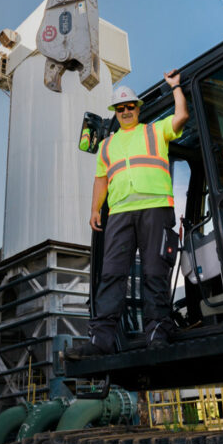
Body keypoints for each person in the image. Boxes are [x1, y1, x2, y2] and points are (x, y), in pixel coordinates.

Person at [66, 71, 189, 359]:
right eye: (120, 108)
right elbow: (101, 179)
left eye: (130, 106)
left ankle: (158, 331)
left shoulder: (155, 131)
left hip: (155, 209)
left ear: (137, 108)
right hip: (120, 213)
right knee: (111, 274)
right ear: (115, 112)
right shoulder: (107, 145)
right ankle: (101, 339)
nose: (125, 111)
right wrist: (95, 209)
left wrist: (176, 87)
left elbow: (181, 116)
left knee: (154, 272)